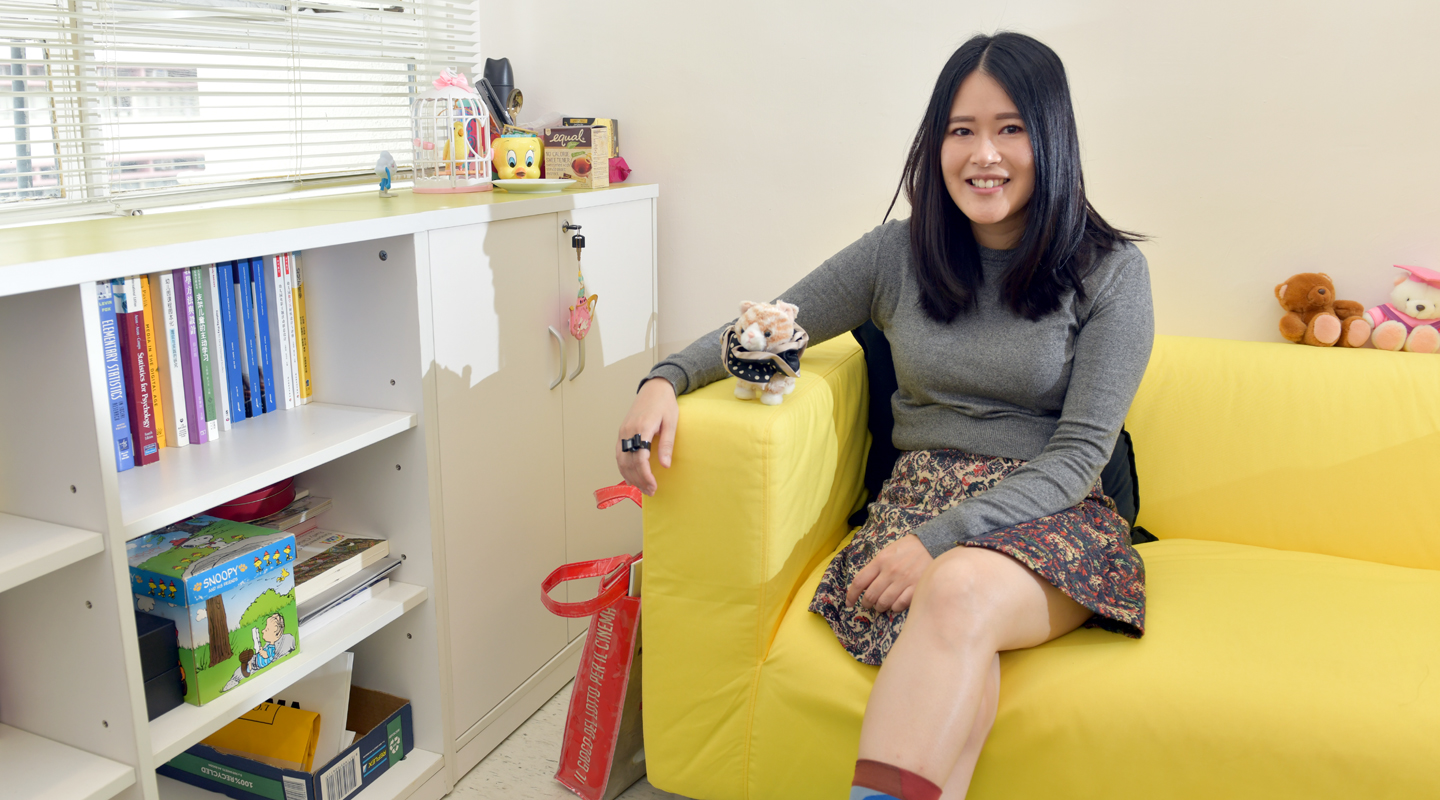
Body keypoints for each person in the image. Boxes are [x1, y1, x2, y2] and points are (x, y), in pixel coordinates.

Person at [616, 31, 1153, 800]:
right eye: (960, 131)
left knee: (959, 589)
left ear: (1052, 138)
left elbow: (1077, 459)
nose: (983, 155)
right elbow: (777, 323)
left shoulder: (1113, 272)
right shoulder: (895, 255)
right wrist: (664, 379)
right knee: (958, 605)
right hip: (924, 493)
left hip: (1052, 508)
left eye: (1010, 128)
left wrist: (934, 545)